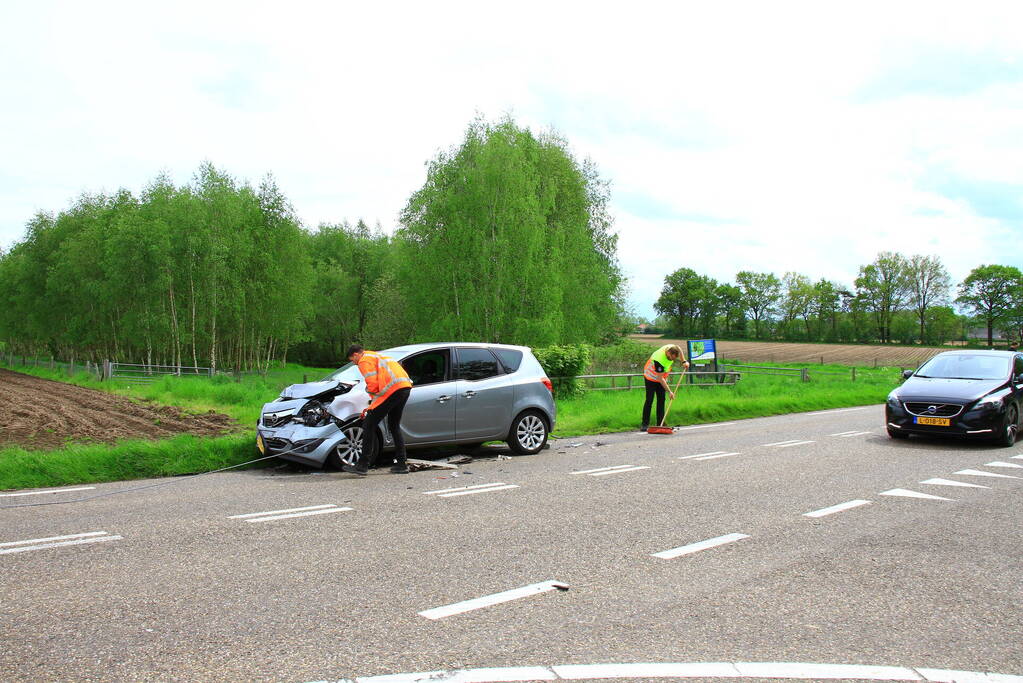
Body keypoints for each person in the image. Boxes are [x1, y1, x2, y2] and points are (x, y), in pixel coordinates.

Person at [343, 345, 413, 475]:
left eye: (352, 360)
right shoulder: (376, 355)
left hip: (393, 391)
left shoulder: (364, 360)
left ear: (356, 355)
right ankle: (402, 464)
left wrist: (371, 405)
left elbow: (373, 385)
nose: (354, 362)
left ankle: (362, 465)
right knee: (394, 426)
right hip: (404, 388)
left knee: (368, 424)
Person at [641, 344, 689, 431]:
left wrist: (684, 361)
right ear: (668, 352)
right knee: (649, 400)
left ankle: (660, 423)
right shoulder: (658, 359)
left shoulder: (673, 347)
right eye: (671, 358)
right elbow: (660, 378)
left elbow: (679, 347)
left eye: (674, 359)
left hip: (661, 377)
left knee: (661, 399)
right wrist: (670, 391)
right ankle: (644, 424)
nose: (672, 360)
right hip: (651, 377)